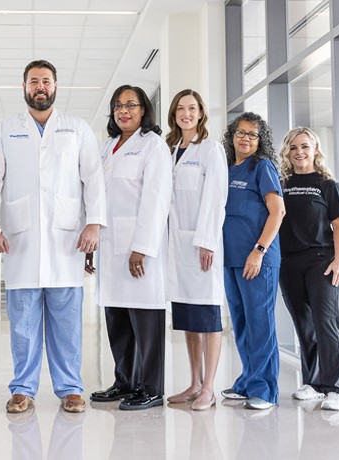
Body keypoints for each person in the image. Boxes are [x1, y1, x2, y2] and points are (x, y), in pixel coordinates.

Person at [0, 59, 106, 414]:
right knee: (23, 324)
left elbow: (93, 178)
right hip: (21, 239)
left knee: (67, 323)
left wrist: (94, 222)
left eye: (46, 81)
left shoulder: (76, 128)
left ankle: (70, 388)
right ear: (24, 88)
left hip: (67, 239)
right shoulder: (6, 130)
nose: (40, 87)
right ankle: (22, 389)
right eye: (33, 81)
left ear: (56, 87)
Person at [87, 85, 172, 410]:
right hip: (110, 247)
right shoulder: (106, 147)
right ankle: (125, 381)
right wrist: (91, 242)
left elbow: (156, 200)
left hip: (138, 249)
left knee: (145, 321)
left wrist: (143, 247)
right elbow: (94, 196)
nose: (124, 111)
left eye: (131, 105)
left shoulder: (152, 146)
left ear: (143, 110)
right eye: (118, 106)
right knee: (117, 319)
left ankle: (151, 387)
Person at [164, 89, 228, 411]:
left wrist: (206, 240)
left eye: (192, 108)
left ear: (201, 112)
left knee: (208, 317)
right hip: (176, 245)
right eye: (180, 108)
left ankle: (209, 388)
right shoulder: (169, 148)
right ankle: (192, 382)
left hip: (201, 245)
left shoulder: (211, 150)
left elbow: (215, 198)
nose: (185, 113)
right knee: (188, 317)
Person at [278, 127, 339, 411]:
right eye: (294, 147)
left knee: (326, 323)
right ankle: (314, 383)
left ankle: (337, 388)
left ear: (315, 150)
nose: (299, 152)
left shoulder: (328, 185)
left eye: (305, 147)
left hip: (322, 260)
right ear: (288, 152)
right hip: (288, 262)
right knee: (304, 325)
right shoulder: (281, 183)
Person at [220, 112, 285, 410]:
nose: (245, 138)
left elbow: (278, 212)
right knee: (242, 324)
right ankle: (248, 381)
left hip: (257, 259)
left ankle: (265, 390)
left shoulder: (262, 167)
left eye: (252, 134)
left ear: (260, 141)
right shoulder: (227, 168)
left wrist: (258, 251)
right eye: (240, 133)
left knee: (261, 324)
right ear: (232, 136)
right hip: (231, 258)